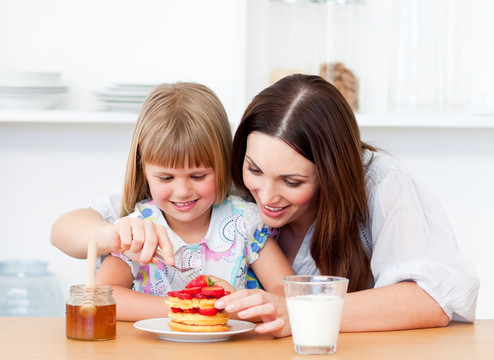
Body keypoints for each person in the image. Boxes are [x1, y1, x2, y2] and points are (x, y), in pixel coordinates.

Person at [51, 75, 479, 335]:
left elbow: (430, 300)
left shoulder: (378, 183)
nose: (266, 197)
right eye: (254, 171)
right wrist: (111, 236)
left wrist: (292, 309)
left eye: (292, 181)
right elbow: (74, 232)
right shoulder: (194, 193)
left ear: (333, 173)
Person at [85, 82, 293, 321]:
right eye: (166, 177)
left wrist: (235, 304)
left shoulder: (245, 222)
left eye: (198, 176)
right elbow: (102, 296)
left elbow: (287, 293)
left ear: (222, 166)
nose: (182, 191)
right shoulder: (139, 229)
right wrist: (187, 307)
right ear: (144, 171)